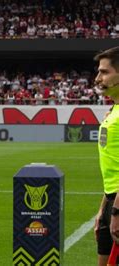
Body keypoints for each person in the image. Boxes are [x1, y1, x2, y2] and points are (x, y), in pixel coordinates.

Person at [94, 46, 119, 266]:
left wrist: (117, 210)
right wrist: (103, 210)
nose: (98, 78)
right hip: (112, 199)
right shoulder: (113, 111)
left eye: (104, 72)